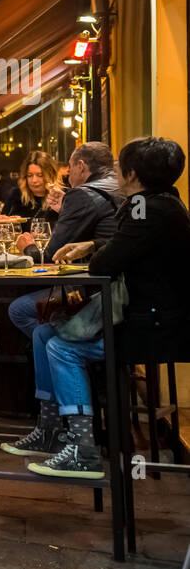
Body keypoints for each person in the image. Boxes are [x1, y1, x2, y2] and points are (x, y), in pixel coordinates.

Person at [19, 137, 190, 477]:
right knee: (42, 333)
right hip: (148, 315)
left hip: (154, 325)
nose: (113, 173)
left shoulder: (147, 210)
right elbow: (123, 248)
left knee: (60, 347)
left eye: (118, 167)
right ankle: (52, 431)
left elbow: (104, 266)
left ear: (132, 173)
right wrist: (93, 243)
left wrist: (96, 251)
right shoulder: (161, 204)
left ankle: (83, 450)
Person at [6, 142, 123, 336]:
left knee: (19, 310)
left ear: (82, 166)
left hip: (98, 288)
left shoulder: (82, 194)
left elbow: (51, 254)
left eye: (70, 168)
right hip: (123, 285)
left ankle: (64, 343)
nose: (68, 174)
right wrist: (65, 210)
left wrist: (28, 248)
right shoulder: (118, 185)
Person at [2, 151, 60, 222]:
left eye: (40, 175)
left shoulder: (61, 197)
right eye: (30, 175)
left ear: (51, 175)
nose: (34, 180)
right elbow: (1, 225)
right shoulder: (16, 195)